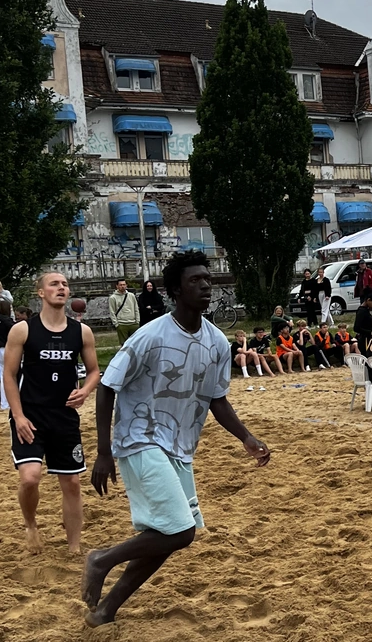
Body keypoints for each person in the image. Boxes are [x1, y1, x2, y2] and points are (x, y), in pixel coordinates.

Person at [82, 250, 271, 627]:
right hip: (139, 438)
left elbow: (217, 399)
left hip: (180, 447)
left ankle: (106, 610)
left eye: (208, 279)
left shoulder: (218, 342)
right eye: (194, 280)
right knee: (181, 531)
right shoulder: (149, 336)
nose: (204, 285)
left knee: (163, 535)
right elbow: (106, 387)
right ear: (174, 291)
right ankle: (100, 559)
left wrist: (246, 437)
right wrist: (104, 452)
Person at [3, 272, 101, 555]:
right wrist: (18, 416)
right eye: (54, 284)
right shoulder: (23, 330)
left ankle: (73, 547)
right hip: (30, 415)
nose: (61, 288)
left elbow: (94, 371)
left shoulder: (81, 332)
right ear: (41, 292)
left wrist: (85, 390)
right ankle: (30, 524)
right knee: (30, 477)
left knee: (71, 482)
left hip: (64, 417)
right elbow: (9, 376)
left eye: (65, 284)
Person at [108, 279, 140, 345]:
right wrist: (116, 324)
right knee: (124, 344)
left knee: (136, 343)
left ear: (126, 285)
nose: (122, 286)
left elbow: (136, 308)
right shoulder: (113, 298)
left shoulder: (131, 295)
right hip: (121, 324)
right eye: (120, 285)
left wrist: (137, 321)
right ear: (117, 286)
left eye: (124, 284)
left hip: (133, 323)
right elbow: (112, 312)